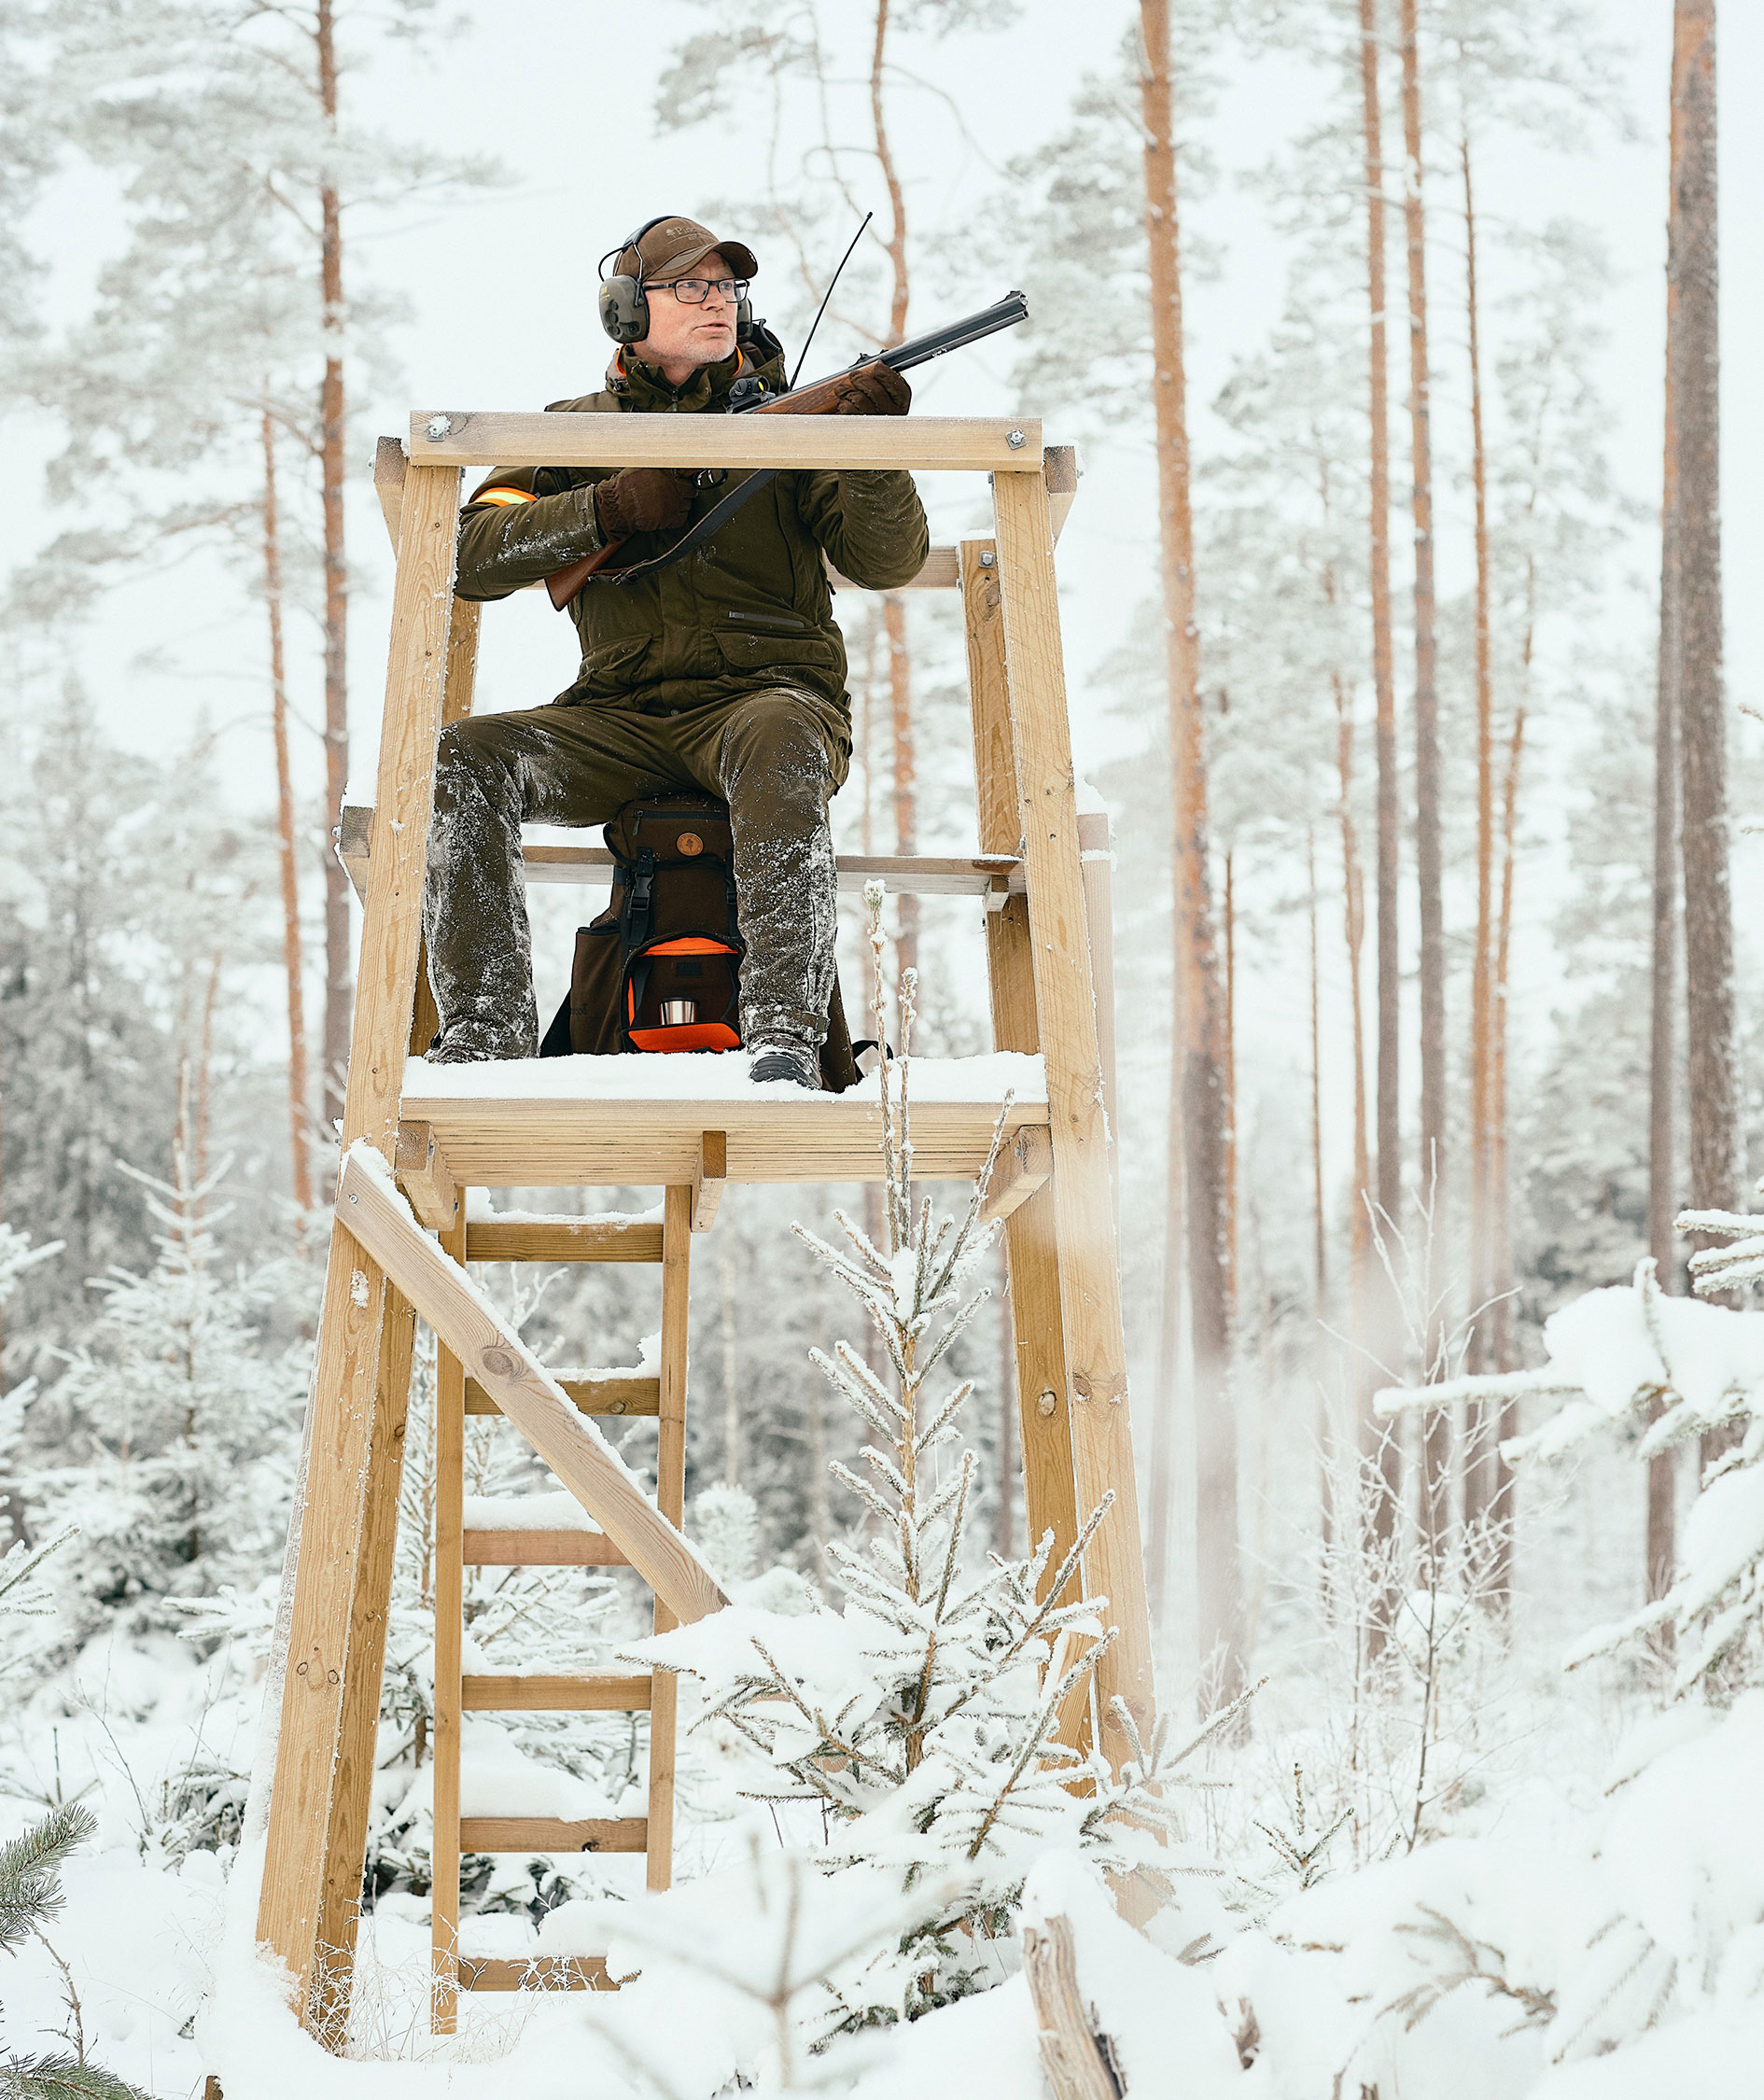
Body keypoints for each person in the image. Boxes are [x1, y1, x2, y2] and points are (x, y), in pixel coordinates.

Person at [421, 214, 929, 1087]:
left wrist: (874, 451)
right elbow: (462, 554)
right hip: (619, 719)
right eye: (689, 287)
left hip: (764, 707)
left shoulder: (794, 431)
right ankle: (483, 1036)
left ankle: (786, 1038)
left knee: (777, 732)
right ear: (626, 310)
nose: (715, 304)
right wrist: (604, 508)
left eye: (726, 287)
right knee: (466, 759)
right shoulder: (569, 435)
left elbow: (887, 561)